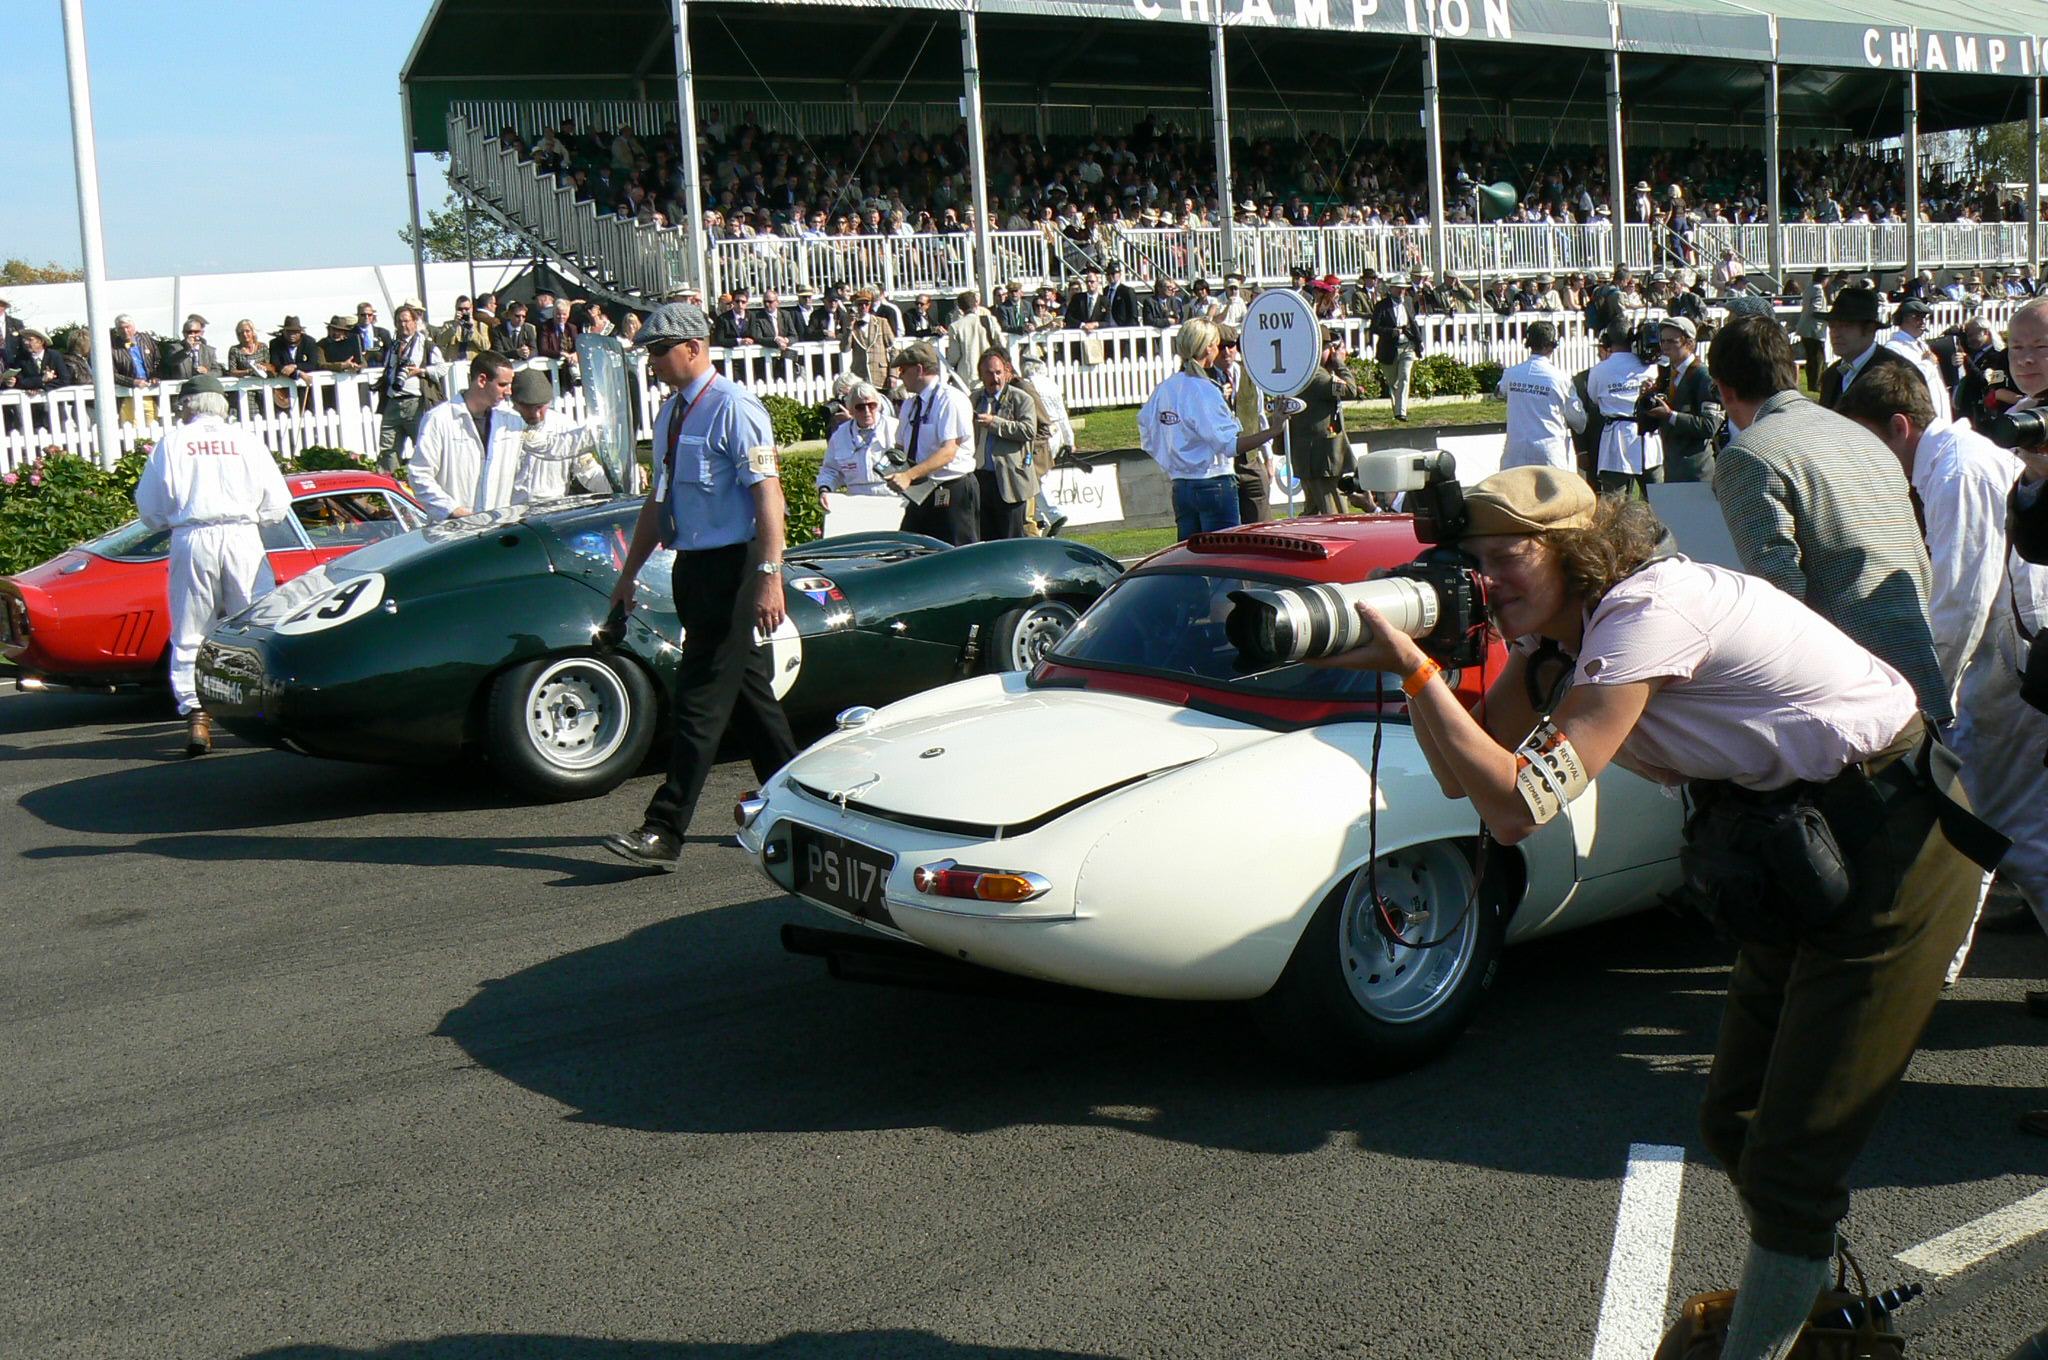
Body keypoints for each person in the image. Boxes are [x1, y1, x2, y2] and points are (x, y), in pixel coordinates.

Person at [1311, 465, 1994, 1360]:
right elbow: (1459, 777)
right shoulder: (1558, 639)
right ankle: (1809, 1303)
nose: (1486, 580)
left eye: (1506, 557)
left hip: (1893, 843)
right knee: (1736, 1118)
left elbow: (1517, 808)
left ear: (1572, 552)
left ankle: (1774, 1333)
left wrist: (1415, 669)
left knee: (1793, 1161)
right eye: (1472, 560)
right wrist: (1418, 674)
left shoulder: (1646, 613)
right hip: (1797, 848)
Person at [1836, 359, 2048, 937]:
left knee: (2009, 830)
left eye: (1866, 443)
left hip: (2005, 662)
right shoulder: (1950, 464)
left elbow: (1962, 598)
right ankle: (1934, 964)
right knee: (1996, 825)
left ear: (1899, 426)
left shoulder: (1958, 470)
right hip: (2002, 656)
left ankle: (1929, 963)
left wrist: (1926, 698)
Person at [599, 302, 797, 871]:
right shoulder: (672, 412)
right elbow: (658, 501)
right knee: (751, 701)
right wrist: (628, 575)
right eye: (650, 352)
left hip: (735, 567)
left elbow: (768, 495)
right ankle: (803, 807)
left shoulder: (735, 407)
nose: (654, 362)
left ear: (694, 347)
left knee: (699, 699)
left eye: (662, 350)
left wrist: (769, 575)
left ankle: (664, 828)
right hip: (694, 567)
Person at [1708, 312, 1951, 721]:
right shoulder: (1859, 435)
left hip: (1848, 684)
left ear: (1724, 389)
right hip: (1919, 648)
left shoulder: (1749, 454)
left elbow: (1780, 591)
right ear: (1793, 371)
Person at [132, 374, 292, 756]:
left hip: (192, 536)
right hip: (242, 536)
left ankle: (197, 717)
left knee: (190, 629)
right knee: (255, 625)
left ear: (188, 405)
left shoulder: (172, 444)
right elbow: (277, 504)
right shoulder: (246, 441)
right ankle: (261, 709)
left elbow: (150, 509)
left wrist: (176, 519)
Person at [1139, 317, 1285, 540]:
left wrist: (1173, 462)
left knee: (1189, 555)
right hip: (1214, 482)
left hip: (1181, 484)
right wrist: (1273, 430)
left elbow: (1147, 432)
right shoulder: (1205, 390)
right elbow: (1229, 445)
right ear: (1208, 347)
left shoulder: (1166, 388)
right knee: (1223, 554)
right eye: (1217, 344)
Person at [408, 351, 520, 520]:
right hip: (452, 529)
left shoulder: (511, 421)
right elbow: (419, 474)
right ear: (482, 380)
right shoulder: (439, 419)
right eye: (503, 384)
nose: (509, 392)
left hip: (498, 527)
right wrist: (452, 510)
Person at [887, 341, 979, 544]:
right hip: (920, 490)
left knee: (956, 551)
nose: (900, 376)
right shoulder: (910, 405)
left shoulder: (950, 399)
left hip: (951, 487)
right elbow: (900, 447)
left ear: (919, 369)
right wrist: (890, 467)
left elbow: (948, 451)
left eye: (903, 370)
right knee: (909, 548)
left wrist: (908, 475)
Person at [1634, 316, 1723, 483]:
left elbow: (1709, 426)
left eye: (1671, 341)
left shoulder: (1703, 377)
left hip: (1697, 472)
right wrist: (1646, 398)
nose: (1665, 346)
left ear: (1689, 343)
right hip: (1672, 468)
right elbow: (1648, 425)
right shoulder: (1667, 375)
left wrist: (1670, 415)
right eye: (1662, 341)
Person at [505, 367, 612, 505]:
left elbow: (588, 471)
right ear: (515, 403)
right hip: (513, 509)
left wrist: (620, 488)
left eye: (539, 407)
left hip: (554, 507)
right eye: (528, 407)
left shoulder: (565, 426)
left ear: (549, 402)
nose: (535, 414)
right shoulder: (505, 428)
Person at [969, 347, 1044, 541]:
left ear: (1006, 372)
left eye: (998, 372)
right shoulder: (974, 399)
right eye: (989, 373)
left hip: (1010, 480)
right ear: (980, 375)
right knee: (986, 540)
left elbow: (1029, 430)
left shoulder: (1021, 398)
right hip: (982, 478)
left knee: (1011, 539)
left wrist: (994, 423)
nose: (995, 378)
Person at [1497, 320, 1586, 471]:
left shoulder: (1510, 374)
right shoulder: (1561, 378)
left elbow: (1500, 393)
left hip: (1515, 454)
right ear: (1552, 345)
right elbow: (1579, 422)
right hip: (1549, 453)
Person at [1290, 327, 1359, 517]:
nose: (1333, 353)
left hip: (1314, 459)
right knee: (1335, 515)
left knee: (1312, 514)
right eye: (1330, 348)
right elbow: (1350, 390)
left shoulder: (1304, 372)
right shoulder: (1316, 376)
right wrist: (1340, 364)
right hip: (1321, 462)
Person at [1587, 324, 1662, 497]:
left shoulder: (1599, 370)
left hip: (1616, 437)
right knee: (1657, 500)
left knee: (1614, 501)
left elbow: (1593, 398)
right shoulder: (1651, 367)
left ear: (1607, 342)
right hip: (1648, 436)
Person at [1816, 286, 1917, 410]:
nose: (1835, 334)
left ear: (1870, 329)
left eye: (1845, 325)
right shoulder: (1831, 376)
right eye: (1832, 326)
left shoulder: (1898, 374)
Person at [376, 305, 441, 475]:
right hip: (392, 401)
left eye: (406, 321)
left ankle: (426, 479)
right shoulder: (393, 346)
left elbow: (441, 368)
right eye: (399, 321)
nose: (403, 325)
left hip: (415, 402)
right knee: (388, 449)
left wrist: (421, 371)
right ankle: (391, 483)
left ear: (414, 322)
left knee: (422, 446)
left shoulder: (426, 344)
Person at [816, 380, 900, 508]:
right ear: (851, 409)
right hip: (857, 499)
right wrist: (824, 489)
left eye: (871, 405)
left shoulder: (895, 428)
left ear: (878, 406)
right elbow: (831, 470)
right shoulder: (840, 435)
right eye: (860, 407)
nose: (866, 411)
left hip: (892, 496)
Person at [1880, 299, 1952, 427]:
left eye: (1924, 317)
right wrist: (1928, 363)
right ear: (1902, 319)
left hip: (1938, 415)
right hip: (1919, 418)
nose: (1922, 322)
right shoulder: (1894, 348)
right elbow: (1907, 380)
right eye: (1916, 317)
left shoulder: (1922, 345)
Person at [1370, 278, 1424, 422]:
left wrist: (1419, 341)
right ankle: (1397, 410)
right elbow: (1374, 328)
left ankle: (1401, 412)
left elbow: (1413, 323)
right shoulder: (1382, 306)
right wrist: (1391, 332)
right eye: (1398, 288)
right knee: (1392, 382)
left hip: (1407, 346)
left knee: (1404, 377)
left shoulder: (1408, 302)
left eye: (1403, 288)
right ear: (1391, 288)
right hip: (1389, 348)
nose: (1401, 291)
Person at [841, 288, 896, 390]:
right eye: (860, 304)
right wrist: (849, 327)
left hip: (880, 376)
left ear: (870, 305)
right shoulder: (850, 325)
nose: (863, 307)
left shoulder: (881, 322)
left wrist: (893, 375)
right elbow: (844, 349)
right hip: (860, 376)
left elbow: (893, 350)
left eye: (866, 304)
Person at [1793, 269, 1831, 392]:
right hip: (1814, 329)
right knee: (1817, 358)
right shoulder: (1817, 289)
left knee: (1812, 358)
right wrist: (1830, 316)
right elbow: (1816, 310)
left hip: (1806, 328)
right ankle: (1816, 384)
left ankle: (1813, 383)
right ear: (1825, 279)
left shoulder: (1809, 287)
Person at [436, 295, 493, 361]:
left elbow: (485, 347)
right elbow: (440, 342)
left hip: (472, 362)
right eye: (460, 309)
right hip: (454, 362)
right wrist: (454, 326)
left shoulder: (480, 326)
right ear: (456, 309)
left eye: (466, 309)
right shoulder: (448, 325)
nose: (463, 311)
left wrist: (472, 329)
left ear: (471, 308)